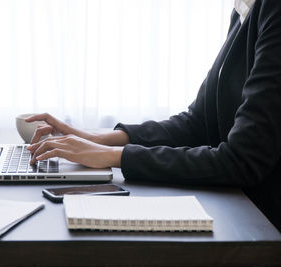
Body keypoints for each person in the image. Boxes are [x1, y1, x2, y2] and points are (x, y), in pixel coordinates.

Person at [26, 0, 281, 232]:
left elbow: (242, 160)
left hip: (263, 226)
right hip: (241, 214)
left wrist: (112, 156)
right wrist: (98, 139)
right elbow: (199, 123)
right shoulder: (246, 9)